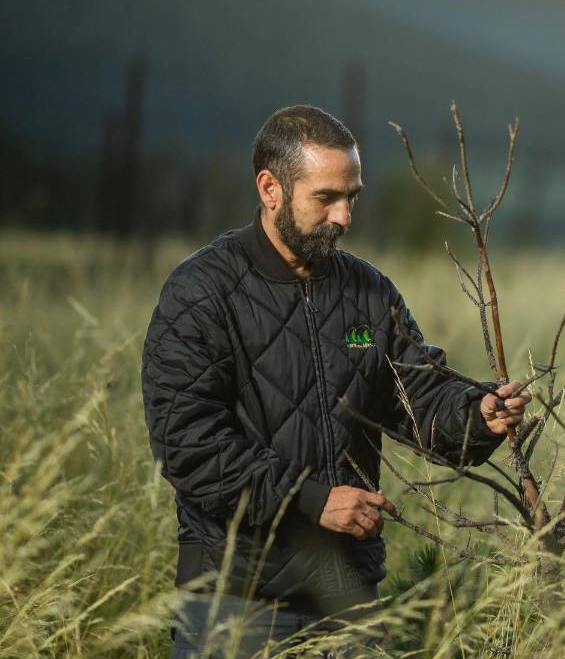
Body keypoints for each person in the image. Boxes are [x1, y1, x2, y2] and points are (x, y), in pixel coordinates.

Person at [140, 105, 529, 657]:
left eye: (353, 197)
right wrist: (311, 500)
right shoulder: (200, 293)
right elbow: (188, 447)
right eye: (327, 198)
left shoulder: (369, 293)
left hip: (347, 601)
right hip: (233, 601)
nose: (345, 217)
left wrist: (477, 413)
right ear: (270, 188)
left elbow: (418, 394)